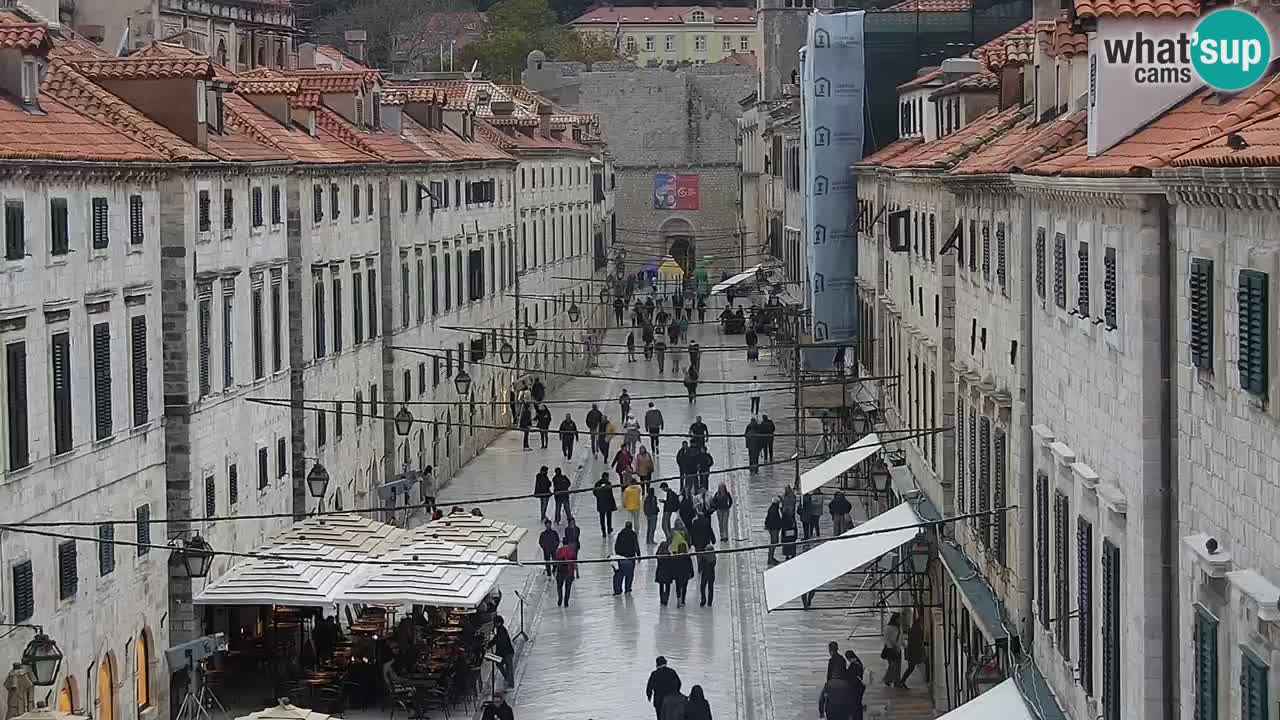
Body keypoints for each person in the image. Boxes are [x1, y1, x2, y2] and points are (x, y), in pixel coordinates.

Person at [900, 613, 926, 689]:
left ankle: (902, 681)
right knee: (911, 667)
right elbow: (917, 641)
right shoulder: (917, 630)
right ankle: (902, 681)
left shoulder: (912, 630)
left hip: (912, 651)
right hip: (914, 652)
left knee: (911, 667)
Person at [614, 521, 641, 594]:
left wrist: (617, 554)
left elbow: (616, 545)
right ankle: (627, 588)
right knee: (629, 575)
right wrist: (638, 555)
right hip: (630, 557)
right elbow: (636, 545)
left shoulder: (620, 534)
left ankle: (618, 590)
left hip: (620, 557)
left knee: (619, 574)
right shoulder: (633, 534)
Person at [489, 615, 515, 685]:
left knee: (509, 668)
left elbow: (501, 643)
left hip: (507, 652)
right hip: (504, 652)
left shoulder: (502, 631)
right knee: (500, 665)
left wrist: (496, 654)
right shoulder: (499, 629)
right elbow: (496, 639)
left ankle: (510, 683)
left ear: (499, 623)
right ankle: (507, 679)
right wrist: (490, 644)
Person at [881, 613, 903, 687]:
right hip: (891, 650)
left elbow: (901, 638)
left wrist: (904, 645)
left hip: (898, 649)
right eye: (899, 618)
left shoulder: (899, 627)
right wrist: (891, 648)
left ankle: (896, 681)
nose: (900, 620)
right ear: (895, 619)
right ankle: (887, 679)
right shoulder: (888, 628)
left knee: (898, 666)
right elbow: (886, 639)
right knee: (893, 665)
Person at [554, 537, 577, 606]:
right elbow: (574, 563)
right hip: (569, 571)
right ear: (568, 543)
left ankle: (560, 599)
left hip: (560, 571)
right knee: (568, 588)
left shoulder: (558, 550)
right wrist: (576, 573)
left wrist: (554, 570)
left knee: (559, 587)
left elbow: (555, 561)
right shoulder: (572, 551)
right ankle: (566, 602)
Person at [654, 541, 674, 605]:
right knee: (667, 586)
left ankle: (662, 599)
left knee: (661, 586)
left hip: (660, 572)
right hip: (668, 573)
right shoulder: (669, 555)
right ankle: (666, 599)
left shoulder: (659, 555)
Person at [765, 496, 783, 564]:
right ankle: (770, 559)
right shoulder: (774, 509)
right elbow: (775, 520)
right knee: (773, 543)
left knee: (774, 543)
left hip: (772, 528)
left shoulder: (773, 508)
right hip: (773, 528)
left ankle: (771, 558)